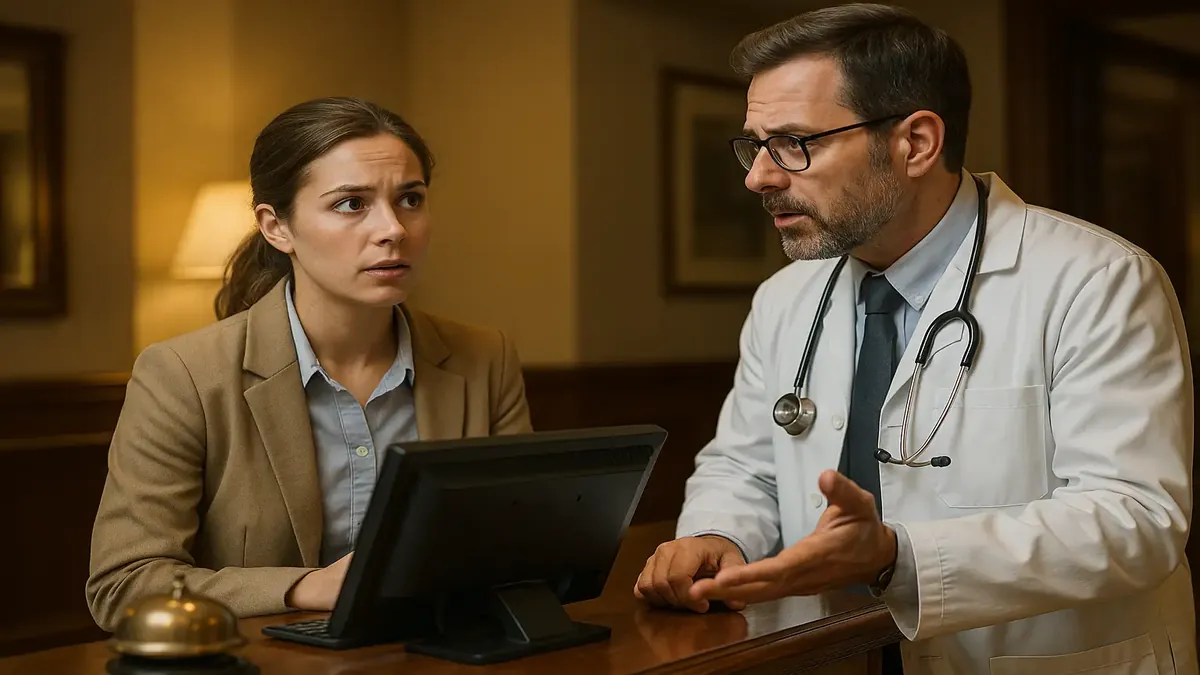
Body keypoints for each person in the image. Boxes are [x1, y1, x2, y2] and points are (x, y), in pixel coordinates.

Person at [635, 4, 1196, 675]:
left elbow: (1135, 519)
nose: (759, 176)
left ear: (917, 143)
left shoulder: (1097, 281)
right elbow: (745, 466)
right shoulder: (785, 299)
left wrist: (897, 556)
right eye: (754, 145)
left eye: (794, 143)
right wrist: (716, 532)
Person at [86, 97, 532, 631]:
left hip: (444, 650)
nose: (394, 229)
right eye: (351, 203)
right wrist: (303, 587)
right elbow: (123, 584)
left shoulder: (485, 357)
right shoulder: (180, 374)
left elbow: (523, 543)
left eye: (410, 199)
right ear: (277, 227)